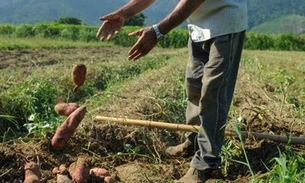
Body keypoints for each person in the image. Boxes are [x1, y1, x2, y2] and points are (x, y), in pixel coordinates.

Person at [97, 0, 248, 182]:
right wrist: (124, 13)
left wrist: (158, 31)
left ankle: (205, 163)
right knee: (194, 86)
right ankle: (193, 140)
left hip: (225, 22)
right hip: (198, 25)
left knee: (213, 94)